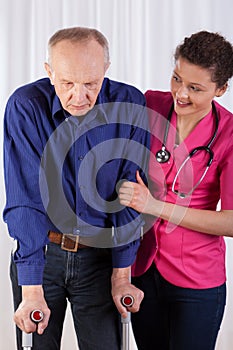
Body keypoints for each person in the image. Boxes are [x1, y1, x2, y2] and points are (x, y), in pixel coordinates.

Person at [3, 27, 149, 350]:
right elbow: (25, 200)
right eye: (67, 83)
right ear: (49, 72)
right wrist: (30, 289)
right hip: (42, 255)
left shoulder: (129, 104)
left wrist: (122, 275)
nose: (79, 96)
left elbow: (129, 196)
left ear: (105, 72)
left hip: (100, 258)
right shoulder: (26, 107)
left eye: (91, 84)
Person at [119, 30, 233, 350]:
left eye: (195, 88)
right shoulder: (151, 104)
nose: (180, 94)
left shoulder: (229, 134)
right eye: (176, 78)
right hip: (142, 269)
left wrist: (155, 206)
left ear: (221, 89)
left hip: (197, 279)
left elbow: (231, 221)